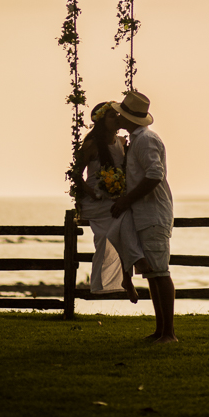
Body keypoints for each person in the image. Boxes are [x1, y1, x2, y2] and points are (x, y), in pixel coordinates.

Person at [110, 89, 177, 344]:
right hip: (146, 213)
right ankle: (161, 330)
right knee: (152, 273)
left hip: (153, 213)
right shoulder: (138, 141)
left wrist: (127, 199)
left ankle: (168, 332)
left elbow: (154, 175)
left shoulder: (145, 140)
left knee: (160, 272)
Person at [76, 101, 143, 302]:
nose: (117, 119)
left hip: (113, 200)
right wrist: (92, 193)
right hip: (95, 202)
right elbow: (76, 174)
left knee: (124, 228)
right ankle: (130, 275)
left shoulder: (122, 142)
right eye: (112, 116)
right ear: (101, 120)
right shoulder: (91, 145)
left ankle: (127, 278)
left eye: (117, 115)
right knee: (118, 227)